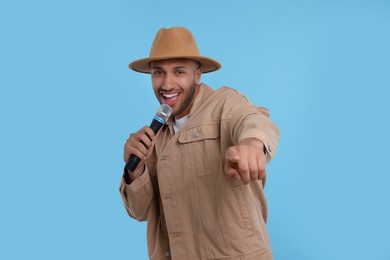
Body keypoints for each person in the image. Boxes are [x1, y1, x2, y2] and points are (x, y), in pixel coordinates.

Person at [119, 27, 280, 260]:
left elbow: (253, 119)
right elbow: (140, 211)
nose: (167, 84)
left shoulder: (225, 103)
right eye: (158, 73)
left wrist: (253, 145)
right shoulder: (157, 136)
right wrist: (136, 169)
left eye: (179, 71)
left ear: (197, 75)